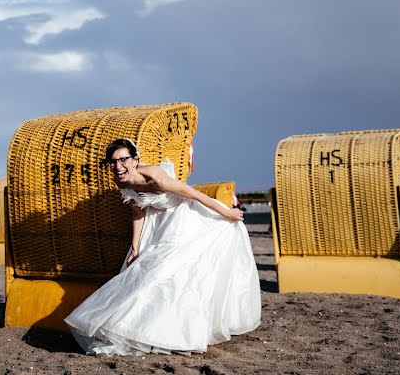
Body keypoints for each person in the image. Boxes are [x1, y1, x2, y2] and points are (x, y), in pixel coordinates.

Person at [64, 138, 261, 355]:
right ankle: (136, 327)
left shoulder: (157, 178)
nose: (118, 166)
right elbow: (138, 212)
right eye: (113, 162)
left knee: (166, 269)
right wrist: (135, 247)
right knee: (143, 270)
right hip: (159, 223)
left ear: (135, 159)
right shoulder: (121, 180)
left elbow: (195, 194)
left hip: (185, 217)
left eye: (123, 160)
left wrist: (228, 213)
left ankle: (176, 331)